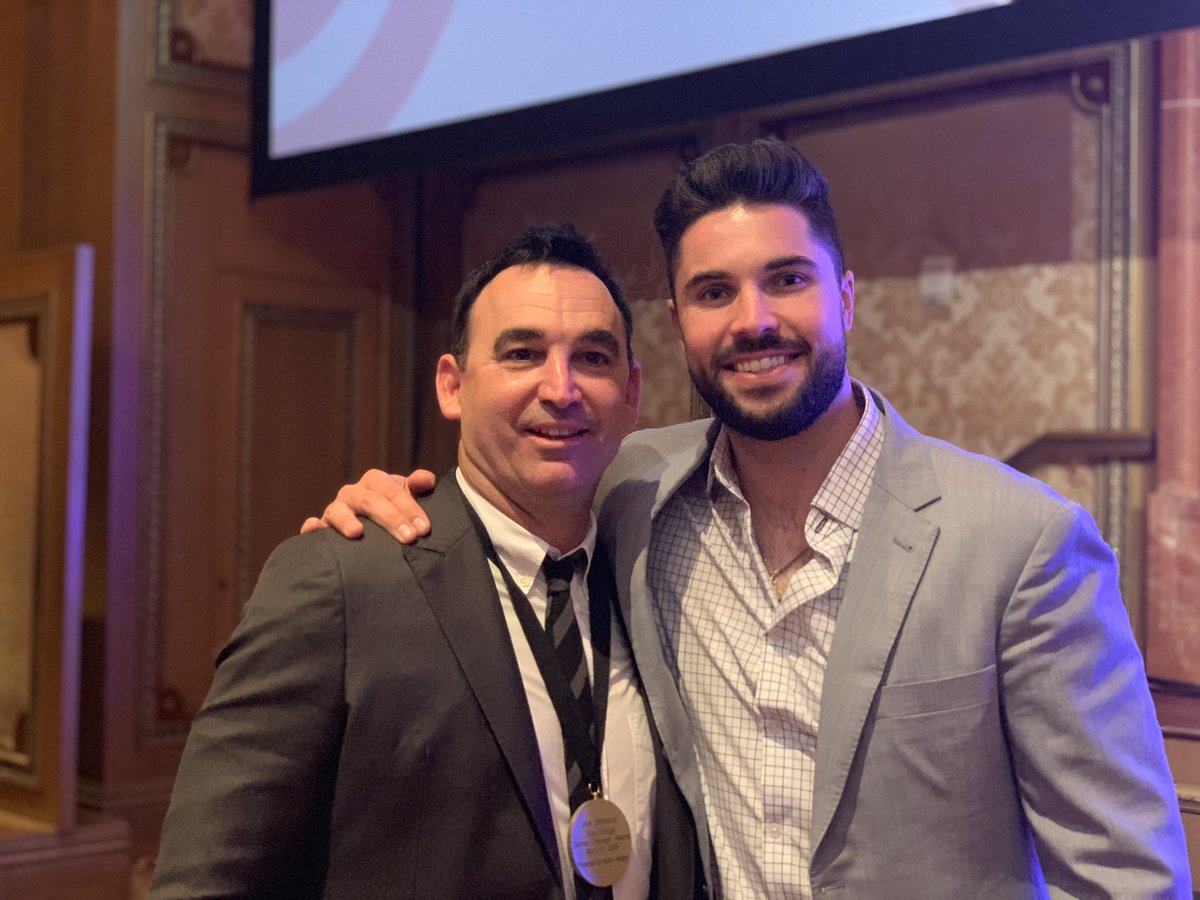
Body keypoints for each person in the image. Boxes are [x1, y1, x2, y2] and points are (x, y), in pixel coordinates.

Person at [310, 141, 1192, 898]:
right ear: (677, 325)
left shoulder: (1022, 540)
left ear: (845, 296)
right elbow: (505, 490)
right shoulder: (635, 494)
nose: (754, 320)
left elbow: (1126, 873)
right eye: (714, 292)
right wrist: (387, 508)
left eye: (787, 280)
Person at [151, 224, 707, 900]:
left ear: (631, 392)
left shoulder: (656, 575)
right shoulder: (340, 579)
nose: (561, 388)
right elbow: (208, 879)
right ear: (452, 385)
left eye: (592, 357)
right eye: (523, 353)